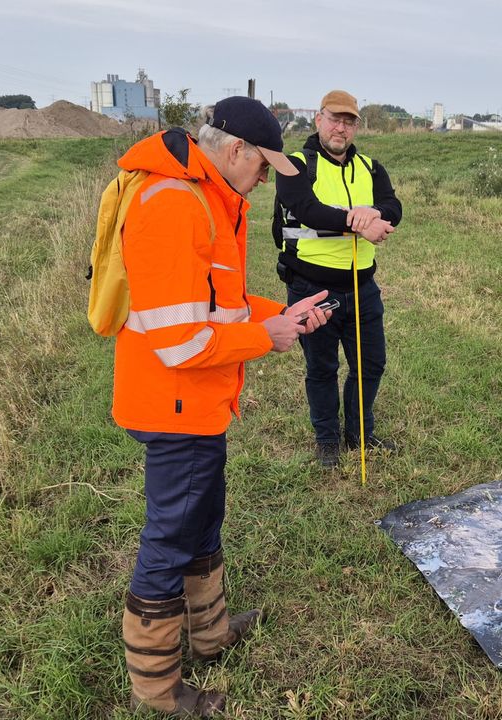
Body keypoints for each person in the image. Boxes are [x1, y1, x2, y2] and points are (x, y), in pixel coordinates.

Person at [112, 96, 333, 716]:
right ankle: (158, 691)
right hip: (173, 406)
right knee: (170, 539)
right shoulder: (174, 204)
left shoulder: (208, 197)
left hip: (199, 403)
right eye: (264, 167)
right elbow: (179, 342)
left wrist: (280, 313)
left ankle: (210, 634)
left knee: (202, 519)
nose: (265, 181)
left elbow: (220, 304)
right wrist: (267, 337)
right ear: (236, 151)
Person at [273, 90, 403, 468]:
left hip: (363, 288)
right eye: (334, 119)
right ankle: (327, 440)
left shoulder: (371, 168)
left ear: (356, 127)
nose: (340, 129)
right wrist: (357, 221)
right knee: (322, 369)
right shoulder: (296, 165)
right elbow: (306, 209)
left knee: (371, 365)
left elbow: (394, 207)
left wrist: (374, 213)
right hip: (311, 289)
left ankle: (359, 434)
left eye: (349, 122)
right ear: (319, 119)